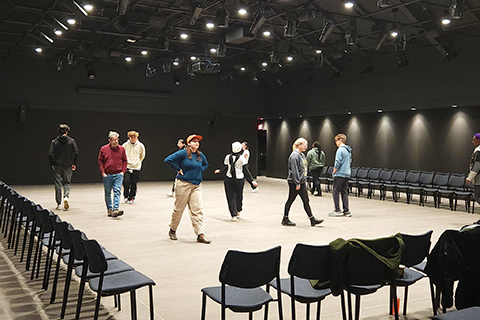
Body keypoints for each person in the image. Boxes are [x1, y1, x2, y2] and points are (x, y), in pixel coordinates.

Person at [164, 134, 211, 244]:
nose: (197, 143)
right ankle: (173, 229)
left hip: (196, 185)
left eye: (198, 142)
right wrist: (178, 169)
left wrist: (199, 171)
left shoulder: (200, 155)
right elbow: (168, 160)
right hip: (183, 184)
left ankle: (200, 234)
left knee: (197, 209)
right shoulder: (183, 153)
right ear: (188, 143)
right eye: (194, 141)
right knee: (179, 209)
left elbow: (205, 164)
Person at [282, 138, 324, 227]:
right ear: (299, 145)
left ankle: (312, 219)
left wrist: (303, 180)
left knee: (306, 200)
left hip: (301, 181)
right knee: (290, 200)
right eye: (304, 145)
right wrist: (297, 183)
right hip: (294, 182)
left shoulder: (302, 155)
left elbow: (303, 168)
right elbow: (295, 170)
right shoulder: (294, 156)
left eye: (306, 145)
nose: (306, 146)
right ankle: (285, 218)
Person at [214, 142, 255, 221]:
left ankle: (235, 213)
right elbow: (246, 171)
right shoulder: (242, 158)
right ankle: (235, 212)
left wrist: (220, 170)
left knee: (232, 196)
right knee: (236, 196)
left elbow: (225, 166)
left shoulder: (228, 157)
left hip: (229, 179)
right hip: (238, 179)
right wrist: (252, 181)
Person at [48, 124, 79, 210]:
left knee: (58, 184)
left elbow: (50, 154)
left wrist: (52, 164)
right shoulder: (71, 141)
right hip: (68, 165)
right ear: (67, 131)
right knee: (67, 182)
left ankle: (58, 203)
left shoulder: (54, 142)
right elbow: (76, 152)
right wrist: (74, 163)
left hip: (57, 165)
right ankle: (66, 197)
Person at [98, 131, 127, 218]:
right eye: (114, 140)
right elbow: (100, 161)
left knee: (117, 190)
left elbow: (125, 160)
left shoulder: (121, 149)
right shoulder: (103, 149)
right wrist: (103, 172)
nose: (116, 142)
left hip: (118, 174)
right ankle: (109, 209)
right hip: (107, 174)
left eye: (117, 140)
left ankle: (115, 209)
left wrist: (123, 171)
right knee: (107, 192)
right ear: (109, 140)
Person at [329, 133, 352, 217]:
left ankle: (337, 210)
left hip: (340, 174)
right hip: (347, 174)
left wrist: (334, 171)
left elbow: (337, 162)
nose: (336, 143)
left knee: (335, 191)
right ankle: (346, 210)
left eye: (336, 141)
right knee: (344, 192)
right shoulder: (348, 150)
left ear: (340, 140)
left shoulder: (340, 150)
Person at [122, 131, 146, 204]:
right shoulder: (125, 145)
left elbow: (142, 155)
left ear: (137, 137)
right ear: (129, 137)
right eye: (131, 137)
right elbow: (121, 154)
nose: (133, 139)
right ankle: (126, 195)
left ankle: (132, 197)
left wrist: (138, 161)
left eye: (134, 137)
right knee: (126, 181)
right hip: (127, 166)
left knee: (134, 183)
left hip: (136, 167)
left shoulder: (140, 145)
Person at [466, 133, 480, 205]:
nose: (473, 142)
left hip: (479, 179)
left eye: (474, 140)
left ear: (479, 140)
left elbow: (477, 165)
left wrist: (470, 178)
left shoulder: (478, 151)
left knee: (478, 196)